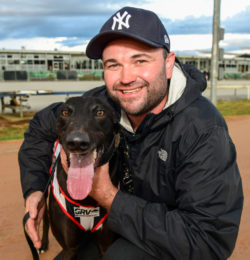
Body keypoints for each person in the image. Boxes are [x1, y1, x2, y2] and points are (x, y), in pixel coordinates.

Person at [19, 6, 243, 260]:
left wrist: (109, 197)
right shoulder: (100, 105)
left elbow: (207, 240)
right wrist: (35, 189)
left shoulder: (202, 130)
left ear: (168, 64)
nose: (126, 78)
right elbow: (40, 126)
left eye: (140, 61)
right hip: (125, 222)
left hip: (178, 239)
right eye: (113, 64)